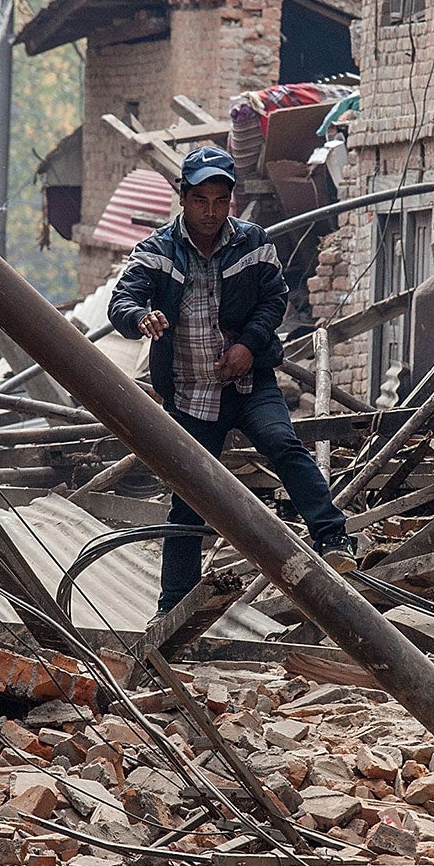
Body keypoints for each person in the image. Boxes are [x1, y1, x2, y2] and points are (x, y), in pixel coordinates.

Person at [109, 145, 354, 614]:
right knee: (188, 497)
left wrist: (248, 346)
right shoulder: (156, 252)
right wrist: (142, 317)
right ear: (183, 197)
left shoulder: (253, 243)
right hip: (188, 392)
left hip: (248, 383)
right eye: (200, 200)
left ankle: (333, 538)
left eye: (220, 201)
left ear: (231, 202)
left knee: (283, 444)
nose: (210, 212)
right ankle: (175, 605)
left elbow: (274, 300)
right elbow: (121, 301)